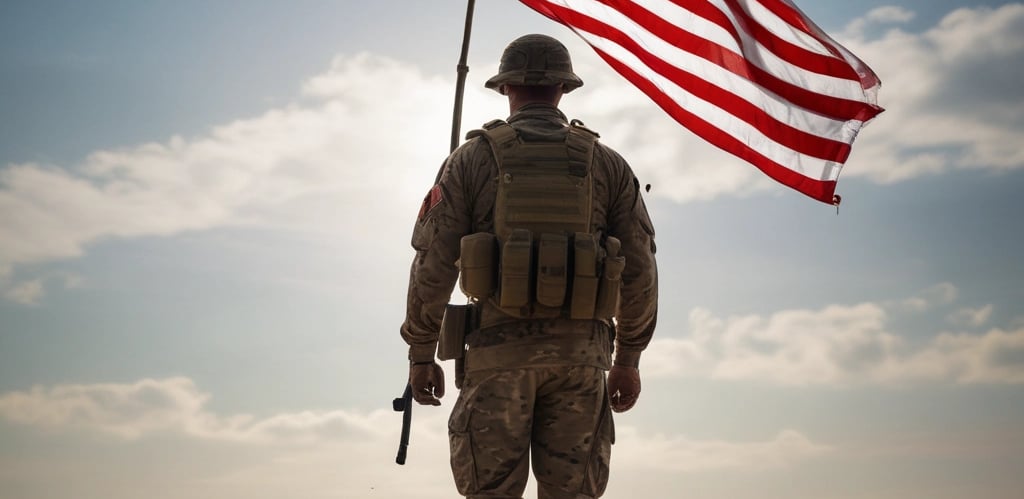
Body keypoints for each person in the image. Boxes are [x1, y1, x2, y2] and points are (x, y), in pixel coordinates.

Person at [400, 33, 658, 499]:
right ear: (563, 88)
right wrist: (629, 359)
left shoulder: (470, 160)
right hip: (581, 359)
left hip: (497, 357)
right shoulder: (608, 164)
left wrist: (421, 353)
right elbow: (640, 271)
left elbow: (433, 265)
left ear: (505, 86)